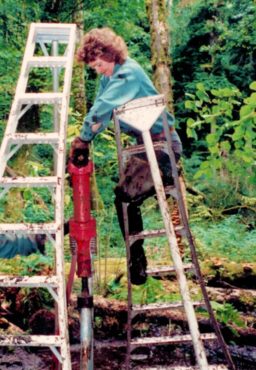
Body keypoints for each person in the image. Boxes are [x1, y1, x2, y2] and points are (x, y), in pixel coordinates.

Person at [70, 27, 183, 285]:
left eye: (99, 64)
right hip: (143, 148)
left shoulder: (128, 73)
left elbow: (101, 110)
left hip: (162, 148)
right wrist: (86, 140)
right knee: (121, 198)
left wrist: (83, 138)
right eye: (94, 67)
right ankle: (136, 257)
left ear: (110, 54)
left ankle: (137, 260)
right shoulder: (108, 78)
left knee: (126, 196)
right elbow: (102, 113)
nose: (98, 70)